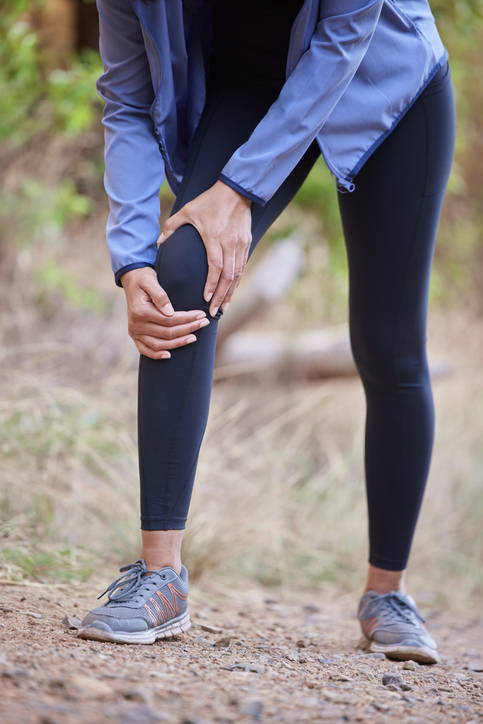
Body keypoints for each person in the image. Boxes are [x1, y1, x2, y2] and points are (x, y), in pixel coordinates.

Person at [78, 0, 455, 663]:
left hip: (379, 76)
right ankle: (160, 574)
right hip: (250, 82)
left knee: (388, 343)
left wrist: (238, 189)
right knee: (180, 272)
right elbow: (129, 100)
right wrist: (132, 258)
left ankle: (386, 594)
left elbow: (343, 37)